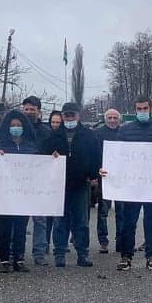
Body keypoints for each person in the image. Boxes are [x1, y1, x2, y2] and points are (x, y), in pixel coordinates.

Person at [104, 97, 152, 272]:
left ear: (150, 109)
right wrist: (108, 171)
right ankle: (126, 256)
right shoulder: (125, 130)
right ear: (135, 110)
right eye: (139, 108)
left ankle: (151, 255)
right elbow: (117, 157)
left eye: (145, 108)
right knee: (128, 222)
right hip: (131, 186)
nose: (142, 111)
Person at [53, 102, 100, 268]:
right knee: (60, 221)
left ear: (78, 115)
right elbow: (44, 154)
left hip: (81, 183)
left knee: (81, 221)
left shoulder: (88, 134)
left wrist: (94, 176)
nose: (69, 117)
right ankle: (59, 253)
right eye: (66, 115)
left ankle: (82, 253)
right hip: (60, 185)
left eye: (72, 114)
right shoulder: (54, 135)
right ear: (62, 116)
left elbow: (96, 156)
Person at [0, 110, 39, 273]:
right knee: (5, 228)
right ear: (7, 127)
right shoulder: (0, 145)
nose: (16, 128)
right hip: (5, 194)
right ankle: (4, 259)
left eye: (19, 125)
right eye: (13, 125)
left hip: (24, 194)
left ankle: (19, 259)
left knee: (21, 228)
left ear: (24, 127)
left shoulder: (31, 146)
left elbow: (39, 167)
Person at [22, 96, 52, 266]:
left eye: (32, 109)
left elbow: (53, 151)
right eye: (26, 109)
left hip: (40, 181)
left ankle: (39, 253)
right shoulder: (15, 128)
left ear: (39, 111)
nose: (29, 112)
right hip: (20, 181)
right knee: (20, 218)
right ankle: (16, 251)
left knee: (40, 219)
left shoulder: (46, 131)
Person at [94, 108, 123, 253]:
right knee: (103, 212)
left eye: (115, 118)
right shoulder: (97, 133)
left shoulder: (124, 133)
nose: (112, 120)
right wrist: (96, 171)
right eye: (110, 118)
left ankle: (121, 239)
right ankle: (103, 241)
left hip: (122, 179)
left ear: (119, 119)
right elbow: (93, 154)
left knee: (121, 212)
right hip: (104, 178)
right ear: (105, 119)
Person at [43, 110, 64, 254]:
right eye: (53, 122)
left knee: (60, 217)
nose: (55, 125)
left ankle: (60, 245)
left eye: (58, 122)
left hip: (62, 181)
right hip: (47, 181)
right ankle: (45, 243)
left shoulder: (65, 138)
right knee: (47, 217)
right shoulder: (46, 137)